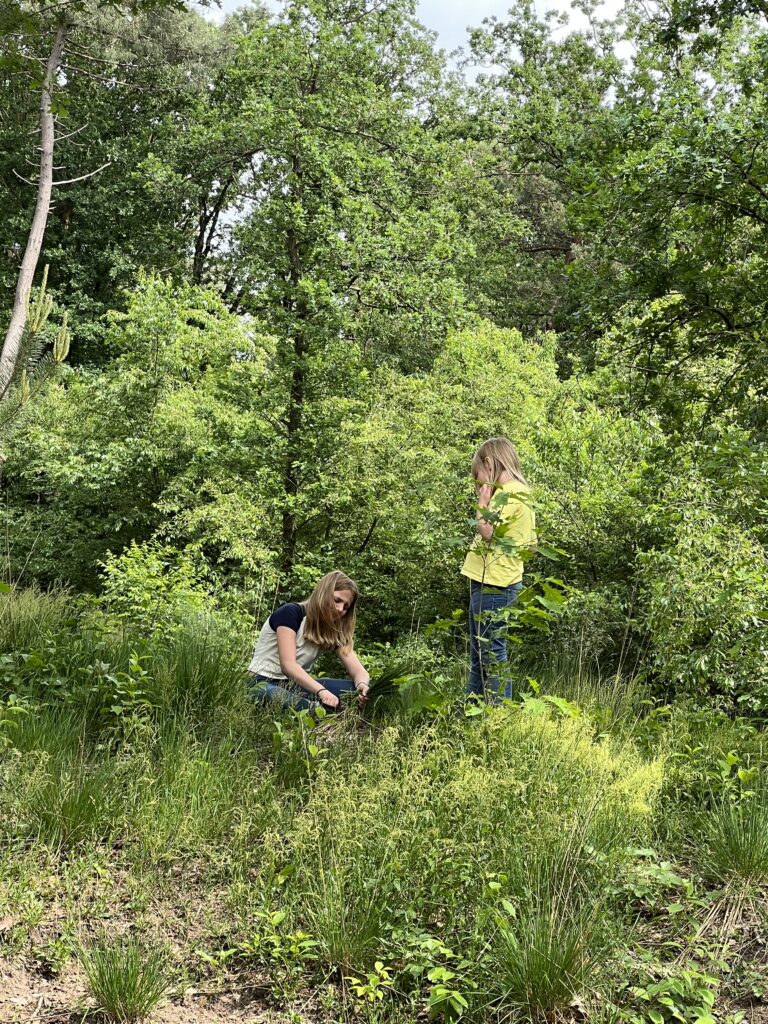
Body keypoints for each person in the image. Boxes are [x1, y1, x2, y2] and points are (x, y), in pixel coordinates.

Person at [461, 437, 537, 702]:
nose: (479, 485)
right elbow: (530, 546)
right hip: (496, 582)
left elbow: (487, 531)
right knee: (480, 657)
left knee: (491, 656)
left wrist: (483, 503)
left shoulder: (510, 493)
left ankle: (497, 716)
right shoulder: (522, 495)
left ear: (490, 463)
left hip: (494, 584)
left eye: (479, 477)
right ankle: (469, 717)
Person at [247, 570, 370, 711]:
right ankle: (315, 710)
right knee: (265, 693)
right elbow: (288, 666)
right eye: (337, 600)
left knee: (358, 691)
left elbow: (359, 671)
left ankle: (317, 708)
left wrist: (362, 686)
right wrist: (321, 691)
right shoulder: (291, 613)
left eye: (346, 607)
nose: (340, 609)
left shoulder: (333, 629)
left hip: (296, 685)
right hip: (262, 682)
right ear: (323, 593)